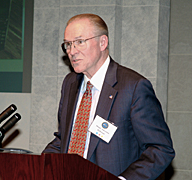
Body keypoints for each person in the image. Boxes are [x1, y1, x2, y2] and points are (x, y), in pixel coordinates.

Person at [42, 13, 175, 180]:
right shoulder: (70, 83)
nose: (72, 51)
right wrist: (39, 166)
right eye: (68, 44)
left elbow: (160, 149)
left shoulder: (133, 87)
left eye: (79, 42)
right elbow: (65, 140)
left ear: (102, 42)